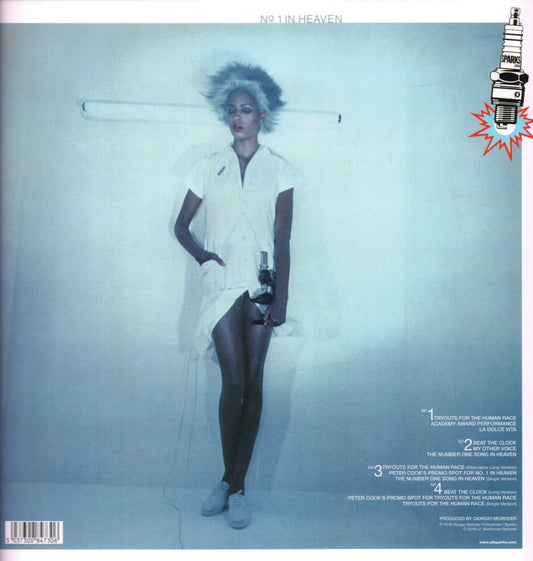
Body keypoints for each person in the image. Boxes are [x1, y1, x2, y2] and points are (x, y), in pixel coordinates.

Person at [174, 62, 294, 529]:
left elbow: (282, 238)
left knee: (255, 380)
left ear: (261, 115)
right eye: (231, 111)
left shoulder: (280, 170)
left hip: (262, 286)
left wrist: (281, 298)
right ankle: (232, 481)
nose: (237, 117)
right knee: (234, 382)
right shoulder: (208, 166)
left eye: (245, 110)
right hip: (222, 283)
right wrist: (204, 257)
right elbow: (180, 227)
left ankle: (233, 485)